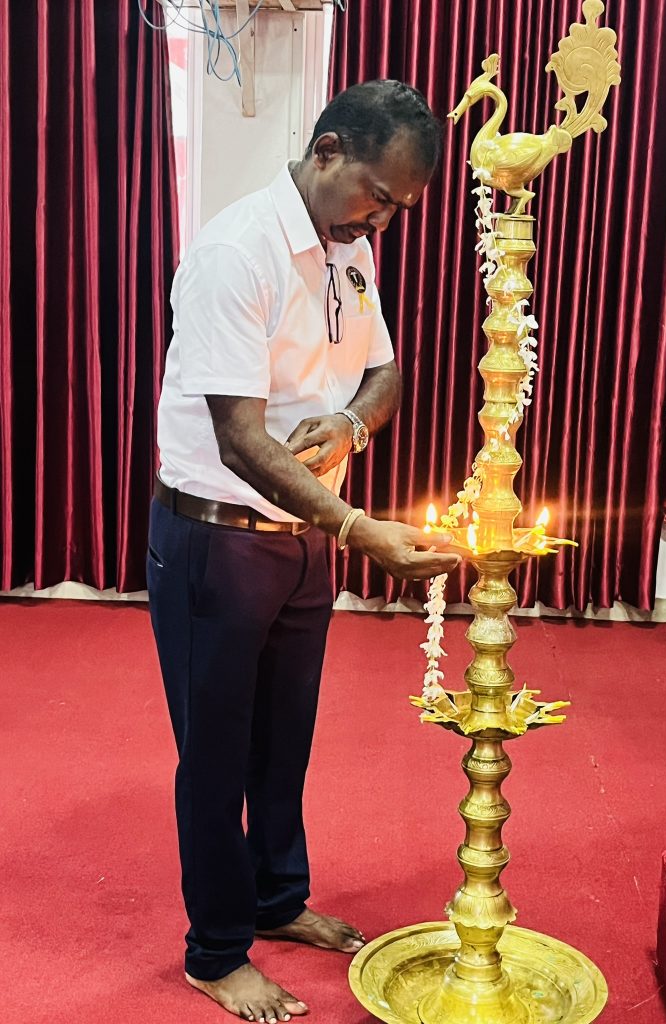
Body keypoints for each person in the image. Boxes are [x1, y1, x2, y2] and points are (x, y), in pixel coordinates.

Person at [146, 80, 460, 1023]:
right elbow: (242, 438)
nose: (385, 220)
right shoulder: (235, 252)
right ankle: (216, 952)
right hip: (216, 539)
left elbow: (384, 372)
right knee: (215, 757)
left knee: (284, 743)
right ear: (327, 151)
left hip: (301, 539)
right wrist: (358, 529)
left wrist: (353, 427)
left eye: (401, 208)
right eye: (379, 195)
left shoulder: (348, 251)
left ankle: (278, 899)